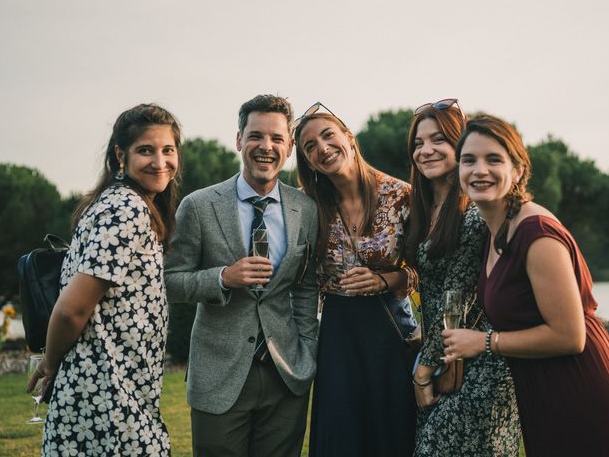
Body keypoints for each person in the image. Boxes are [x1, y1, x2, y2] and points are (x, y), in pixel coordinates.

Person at [446, 114, 609, 456]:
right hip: (541, 393)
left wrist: (483, 342)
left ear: (518, 170)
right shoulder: (497, 229)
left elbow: (570, 336)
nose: (479, 170)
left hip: (581, 389)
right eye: (469, 160)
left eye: (493, 159)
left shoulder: (536, 233)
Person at [164, 94, 319, 457]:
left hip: (286, 376)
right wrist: (222, 278)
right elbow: (170, 281)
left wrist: (307, 352)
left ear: (289, 146)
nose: (266, 147)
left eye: (277, 138)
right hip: (219, 376)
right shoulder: (199, 206)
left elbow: (307, 287)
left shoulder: (306, 210)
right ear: (238, 140)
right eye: (255, 136)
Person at [27, 103, 182, 455]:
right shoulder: (126, 209)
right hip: (107, 396)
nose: (160, 162)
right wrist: (48, 364)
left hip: (113, 393)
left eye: (168, 150)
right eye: (146, 150)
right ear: (120, 154)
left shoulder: (119, 202)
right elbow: (72, 310)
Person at [294, 102, 416, 457]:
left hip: (391, 325)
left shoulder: (402, 196)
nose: (322, 148)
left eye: (328, 135)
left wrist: (385, 280)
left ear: (349, 137)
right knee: (340, 435)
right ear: (308, 160)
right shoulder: (307, 206)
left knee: (393, 431)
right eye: (310, 146)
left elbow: (425, 270)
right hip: (337, 331)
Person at [405, 100, 520, 456]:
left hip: (480, 368)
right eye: (418, 143)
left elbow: (458, 297)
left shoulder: (473, 212)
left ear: (461, 144)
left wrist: (422, 371)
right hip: (447, 357)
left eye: (438, 139)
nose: (426, 150)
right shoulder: (425, 210)